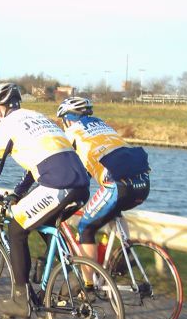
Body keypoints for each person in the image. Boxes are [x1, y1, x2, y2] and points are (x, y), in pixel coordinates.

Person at [0, 83, 90, 318]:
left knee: (17, 228)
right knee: (45, 225)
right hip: (81, 185)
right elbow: (35, 166)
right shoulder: (40, 119)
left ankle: (21, 300)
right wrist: (19, 193)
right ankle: (65, 279)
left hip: (57, 185)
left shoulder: (6, 126)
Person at [56, 97, 150, 282]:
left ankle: (88, 285)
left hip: (117, 185)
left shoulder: (72, 132)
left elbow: (72, 170)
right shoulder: (103, 126)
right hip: (143, 183)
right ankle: (124, 252)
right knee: (115, 211)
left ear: (67, 119)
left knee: (86, 229)